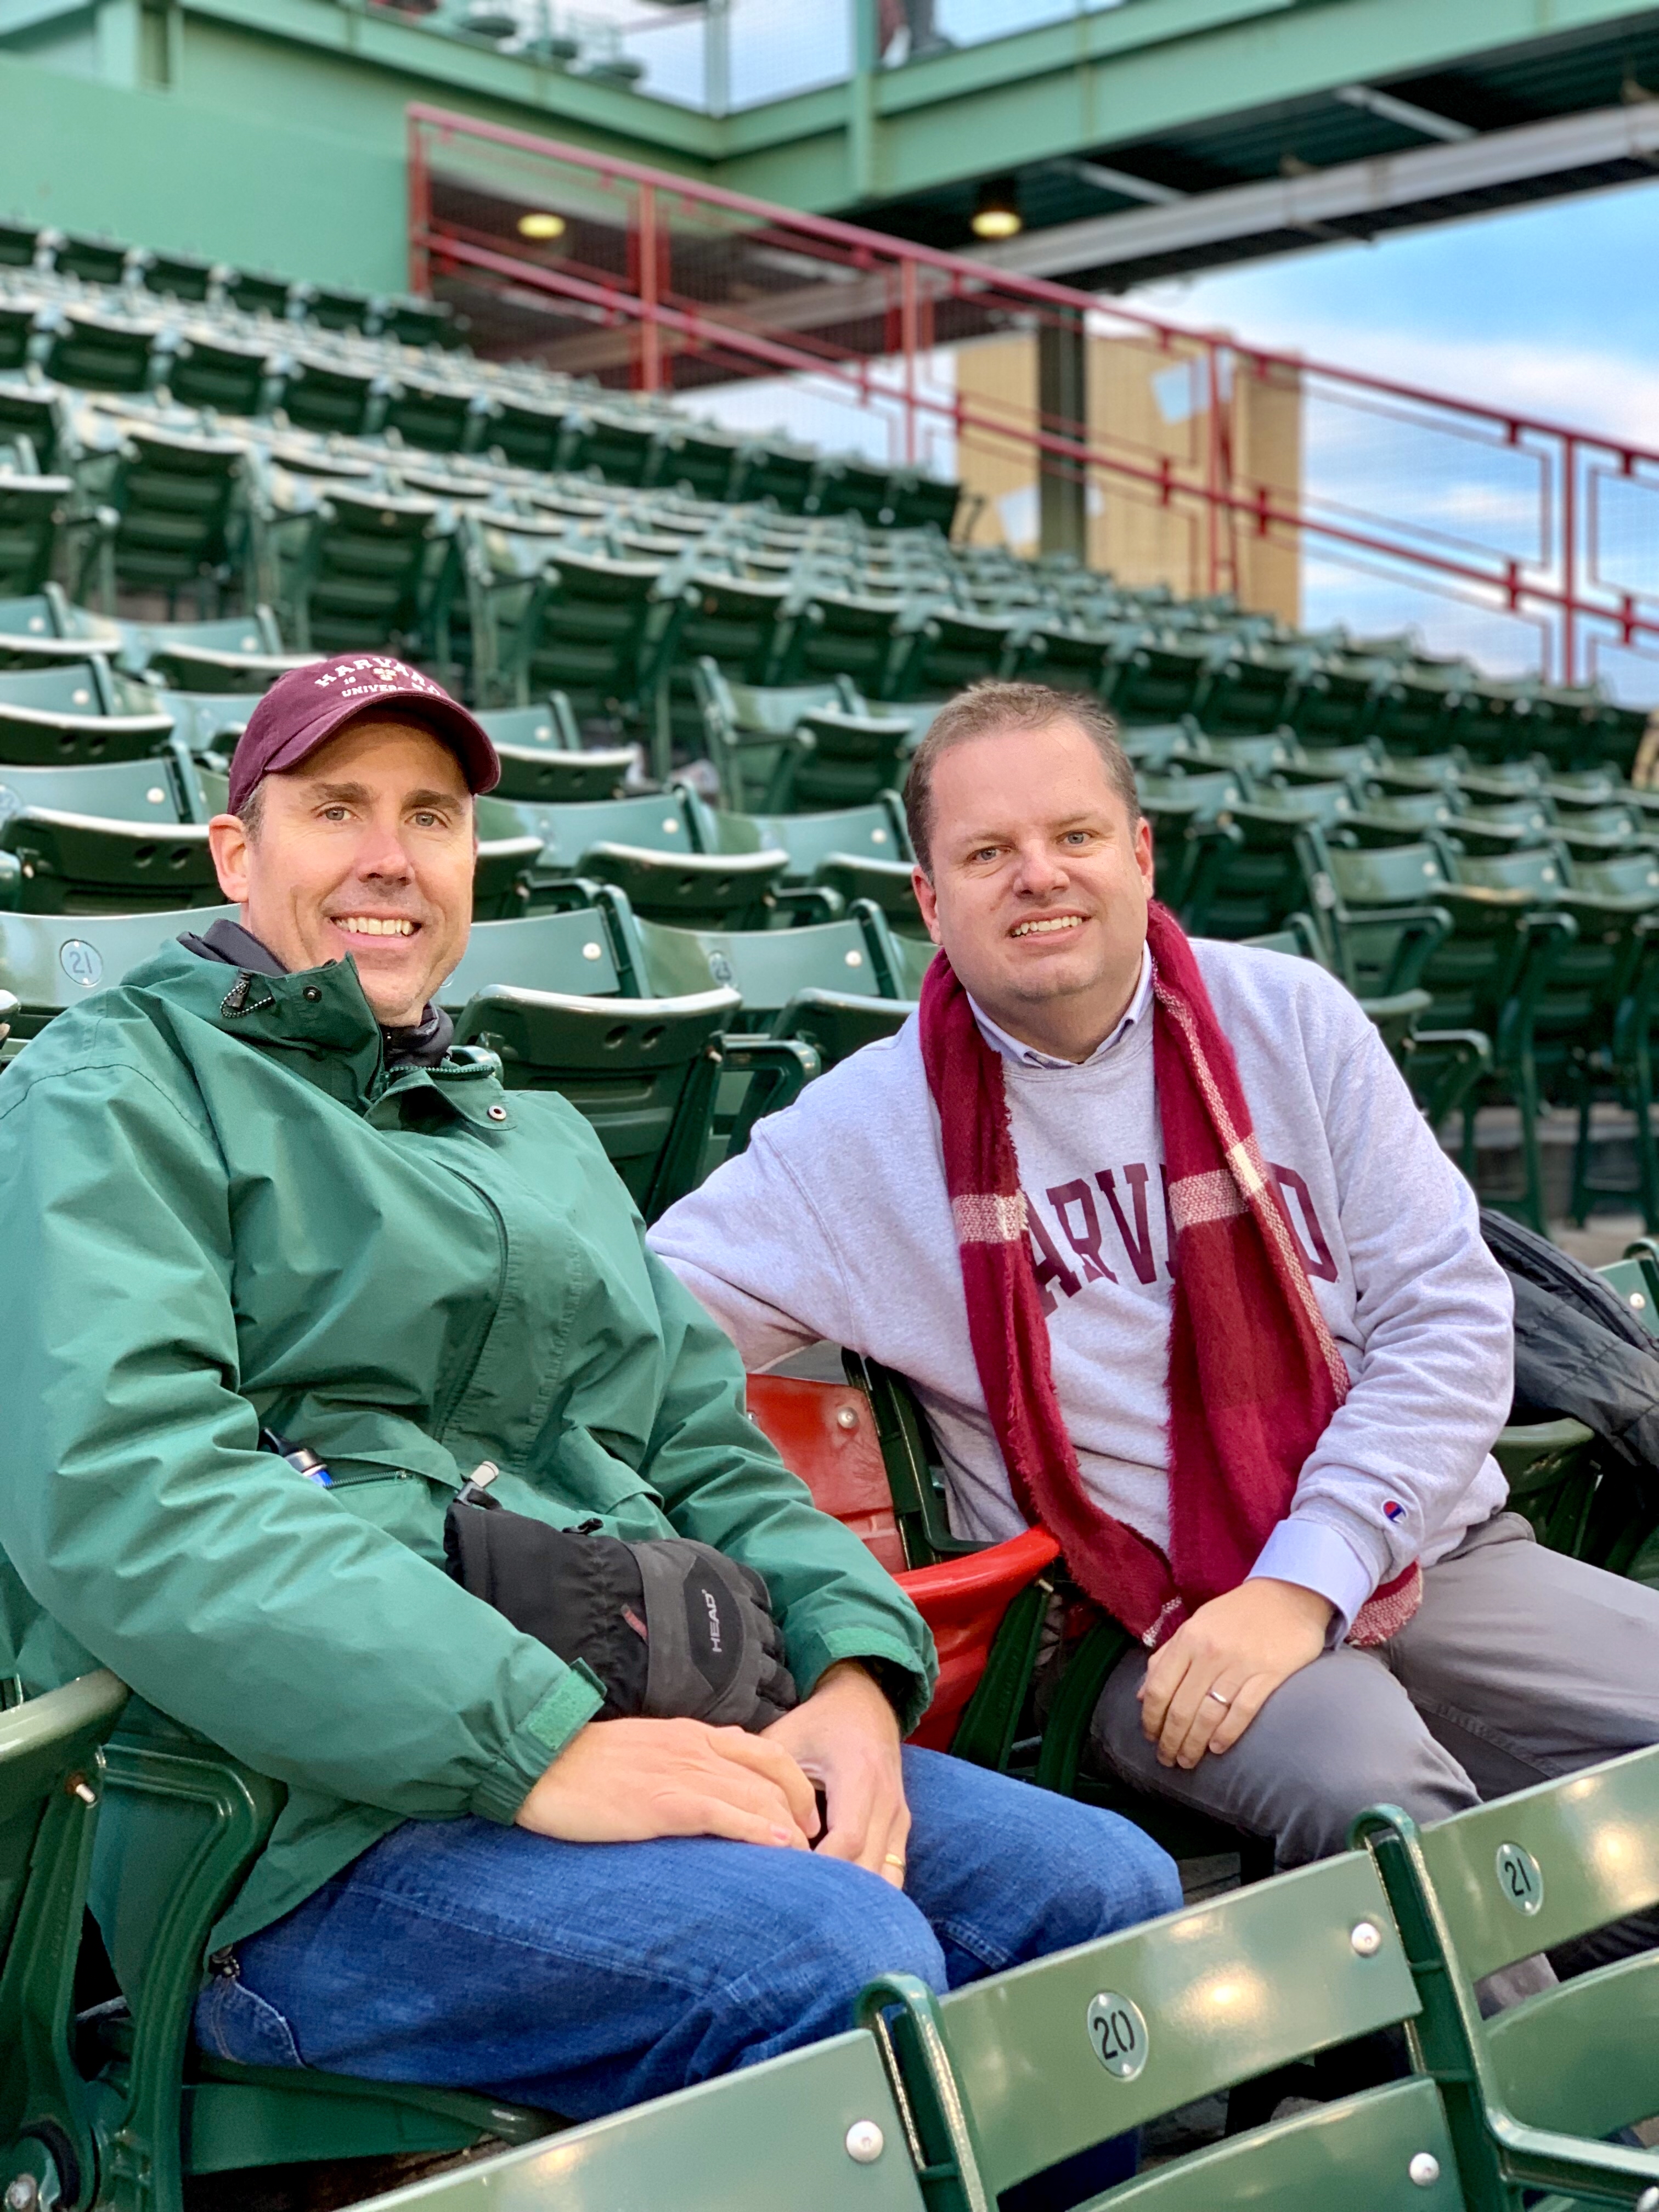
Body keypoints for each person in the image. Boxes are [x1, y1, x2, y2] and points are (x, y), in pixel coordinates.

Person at [0, 653, 1180, 2128]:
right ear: (238, 852)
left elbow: (707, 1445)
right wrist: (538, 1745)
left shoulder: (530, 1133)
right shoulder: (112, 1092)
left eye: (432, 817)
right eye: (336, 809)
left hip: (621, 1722)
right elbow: (133, 1497)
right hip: (279, 1845)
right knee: (835, 1961)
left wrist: (853, 1680)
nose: (391, 858)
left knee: (1103, 1896)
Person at [651, 679, 1659, 1899]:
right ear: (929, 900)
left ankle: (1489, 2021)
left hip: (1422, 1552)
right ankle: (1525, 2085)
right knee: (1384, 1798)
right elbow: (644, 1317)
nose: (1040, 875)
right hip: (1138, 1624)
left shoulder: (1294, 1022)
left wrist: (1309, 1572)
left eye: (1074, 836)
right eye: (987, 852)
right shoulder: (860, 1135)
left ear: (1139, 853)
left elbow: (1447, 1322)